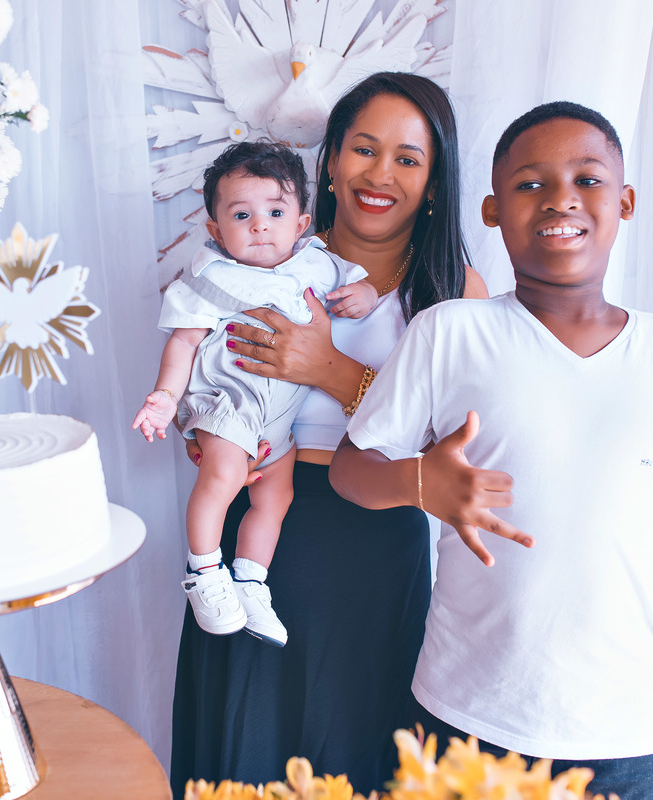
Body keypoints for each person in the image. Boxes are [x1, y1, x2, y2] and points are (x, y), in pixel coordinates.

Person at [331, 101, 653, 800]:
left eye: (587, 179)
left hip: (624, 731)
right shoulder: (450, 332)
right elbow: (350, 469)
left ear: (625, 201)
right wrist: (421, 482)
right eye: (531, 183)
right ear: (492, 210)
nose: (560, 198)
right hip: (468, 715)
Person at [169, 72, 487, 795]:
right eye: (364, 150)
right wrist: (203, 422)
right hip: (261, 527)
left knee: (357, 747)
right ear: (332, 162)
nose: (380, 175)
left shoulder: (456, 289)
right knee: (244, 750)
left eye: (408, 159)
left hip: (378, 541)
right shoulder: (262, 254)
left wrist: (330, 369)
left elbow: (451, 447)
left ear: (434, 183)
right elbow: (198, 356)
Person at [134, 141, 377, 647]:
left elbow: (356, 283)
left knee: (275, 495)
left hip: (277, 421)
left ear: (302, 223)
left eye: (275, 213)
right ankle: (204, 572)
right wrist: (164, 396)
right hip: (227, 401)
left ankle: (250, 581)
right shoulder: (211, 277)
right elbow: (184, 342)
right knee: (224, 477)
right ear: (216, 230)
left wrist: (365, 294)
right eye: (242, 215)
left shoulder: (317, 264)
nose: (260, 226)